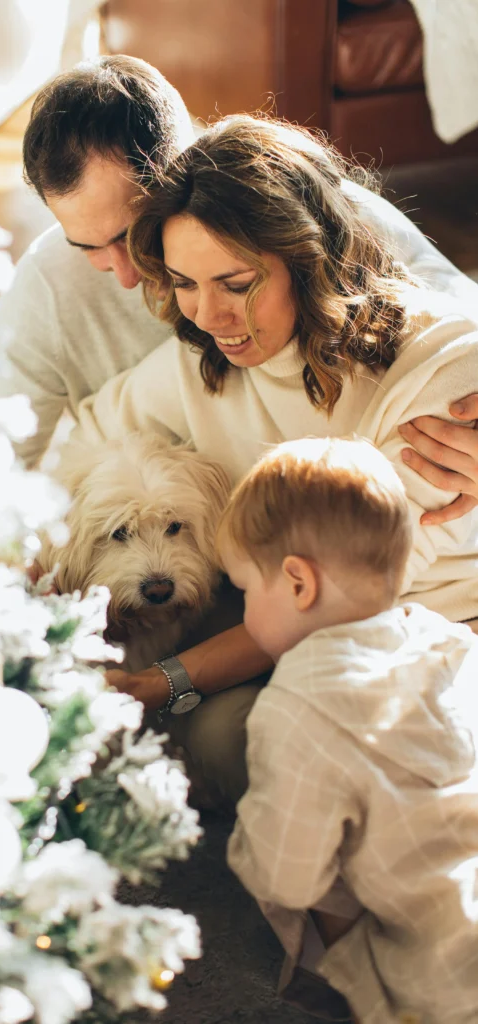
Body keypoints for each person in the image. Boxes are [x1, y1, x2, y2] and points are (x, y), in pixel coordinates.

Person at [68, 113, 478, 807]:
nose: (208, 315)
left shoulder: (442, 370)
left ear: (307, 256)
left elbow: (321, 595)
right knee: (223, 742)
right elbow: (74, 442)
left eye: (235, 284)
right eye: (184, 284)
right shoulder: (201, 362)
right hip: (306, 645)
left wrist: (162, 680)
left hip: (439, 637)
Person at [0, 55, 478, 529]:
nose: (124, 275)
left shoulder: (308, 212)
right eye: (87, 247)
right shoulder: (44, 290)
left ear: (186, 171)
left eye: (130, 234)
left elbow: (454, 322)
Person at [217, 436, 478, 1024]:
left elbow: (288, 873)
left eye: (244, 591)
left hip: (439, 982)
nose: (244, 611)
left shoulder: (296, 704)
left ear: (298, 583)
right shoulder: (449, 640)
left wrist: (247, 840)